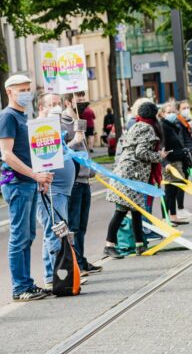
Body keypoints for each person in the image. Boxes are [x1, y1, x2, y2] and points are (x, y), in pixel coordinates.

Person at [0, 74, 53, 302]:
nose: (27, 92)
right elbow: (7, 154)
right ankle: (19, 287)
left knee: (28, 235)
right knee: (19, 236)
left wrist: (39, 178)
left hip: (27, 182)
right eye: (22, 89)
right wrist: (34, 175)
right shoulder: (7, 117)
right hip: (17, 184)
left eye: (28, 88)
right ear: (9, 91)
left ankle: (27, 283)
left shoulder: (21, 116)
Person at [104, 99, 168, 258]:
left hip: (130, 174)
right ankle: (109, 245)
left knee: (136, 211)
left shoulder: (136, 125)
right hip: (131, 175)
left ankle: (140, 245)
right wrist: (158, 156)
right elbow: (141, 153)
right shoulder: (147, 128)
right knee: (121, 211)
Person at [36, 93, 77, 289]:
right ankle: (57, 276)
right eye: (51, 105)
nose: (56, 108)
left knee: (57, 231)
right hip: (50, 190)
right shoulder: (37, 130)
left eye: (58, 104)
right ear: (41, 109)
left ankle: (52, 275)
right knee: (55, 232)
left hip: (61, 190)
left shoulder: (56, 130)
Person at [65, 103, 103, 275]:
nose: (81, 99)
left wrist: (91, 170)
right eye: (78, 96)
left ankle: (81, 259)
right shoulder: (62, 123)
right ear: (67, 103)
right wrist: (75, 141)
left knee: (82, 225)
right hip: (74, 181)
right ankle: (76, 262)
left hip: (84, 181)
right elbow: (62, 151)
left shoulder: (78, 121)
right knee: (73, 225)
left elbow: (84, 151)